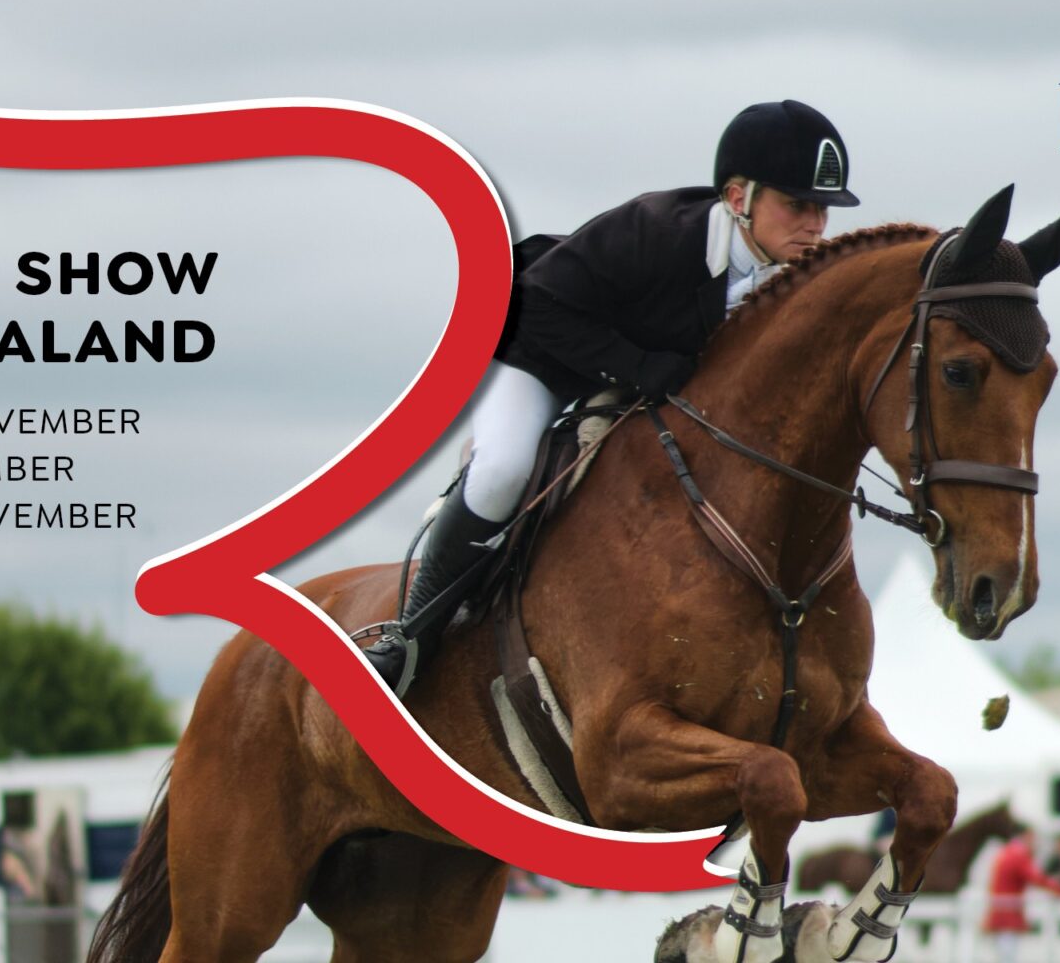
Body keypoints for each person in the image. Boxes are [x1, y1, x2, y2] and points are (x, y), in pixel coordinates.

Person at [363, 99, 863, 693]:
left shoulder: (796, 280)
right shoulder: (653, 232)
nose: (815, 225)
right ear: (737, 199)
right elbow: (533, 304)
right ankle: (409, 637)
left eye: (824, 210)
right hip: (536, 356)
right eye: (798, 205)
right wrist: (635, 365)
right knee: (501, 471)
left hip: (636, 384)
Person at [982, 823, 1060, 963]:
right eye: (1033, 837)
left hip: (1000, 914)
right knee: (1007, 956)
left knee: (1003, 955)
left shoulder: (1006, 852)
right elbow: (1037, 878)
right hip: (1008, 917)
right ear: (1025, 836)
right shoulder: (1018, 855)